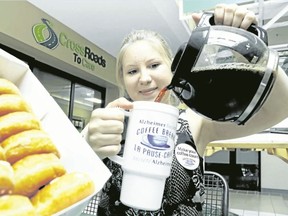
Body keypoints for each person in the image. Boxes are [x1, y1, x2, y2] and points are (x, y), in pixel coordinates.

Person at [82, 3, 288, 215]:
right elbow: (65, 176)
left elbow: (281, 107)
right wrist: (87, 141)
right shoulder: (111, 122)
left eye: (154, 65)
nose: (144, 78)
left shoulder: (196, 121)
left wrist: (248, 43)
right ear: (123, 80)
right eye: (132, 71)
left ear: (173, 69)